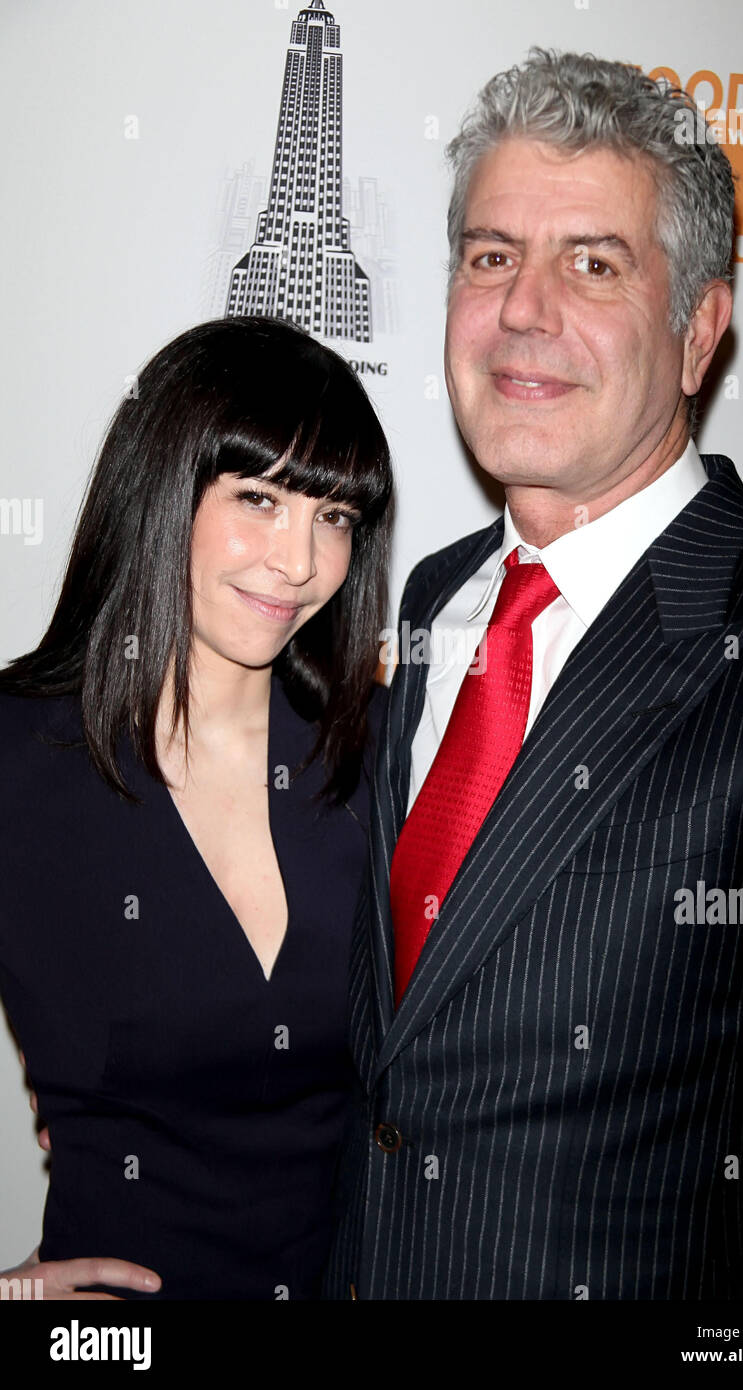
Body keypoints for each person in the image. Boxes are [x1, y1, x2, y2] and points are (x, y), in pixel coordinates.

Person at [323, 50, 743, 1300]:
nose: (521, 310)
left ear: (697, 335)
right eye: (489, 254)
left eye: (594, 263)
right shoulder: (427, 596)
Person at [0, 315, 392, 1299]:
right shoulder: (16, 753)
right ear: (161, 488)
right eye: (258, 498)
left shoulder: (386, 749)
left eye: (334, 515)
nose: (300, 560)